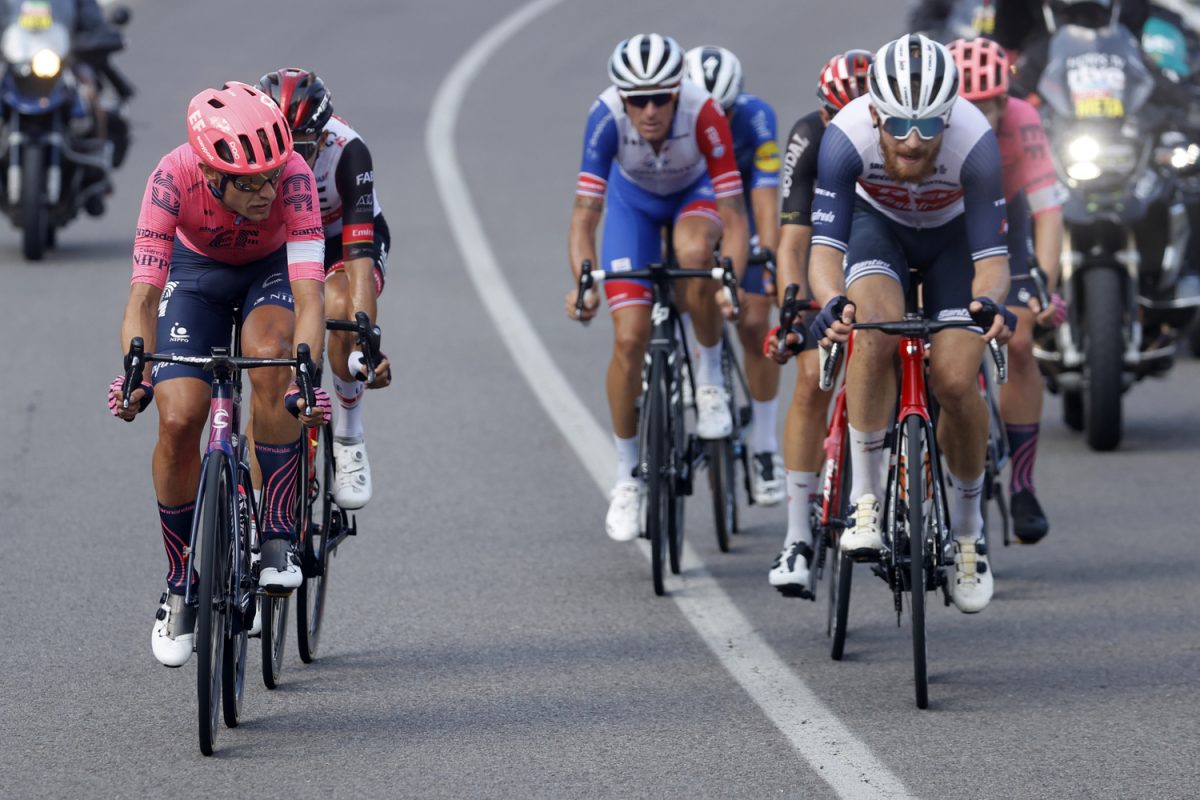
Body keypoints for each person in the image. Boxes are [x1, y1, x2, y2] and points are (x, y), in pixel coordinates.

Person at [107, 82, 329, 667]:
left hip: (271, 272)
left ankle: (276, 531)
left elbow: (311, 297)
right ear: (209, 174)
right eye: (249, 183)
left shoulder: (295, 178)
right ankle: (181, 583)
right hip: (196, 273)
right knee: (180, 416)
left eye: (271, 177)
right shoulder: (171, 178)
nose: (267, 192)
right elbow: (142, 297)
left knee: (273, 356)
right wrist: (135, 372)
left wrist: (304, 377)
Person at [807, 34, 1017, 613]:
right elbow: (824, 252)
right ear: (875, 112)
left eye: (928, 125)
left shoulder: (976, 142)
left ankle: (969, 535)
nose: (913, 140)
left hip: (953, 241)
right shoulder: (844, 137)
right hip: (878, 228)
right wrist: (832, 303)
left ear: (949, 115)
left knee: (956, 379)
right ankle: (866, 501)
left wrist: (989, 305)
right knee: (873, 330)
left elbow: (992, 264)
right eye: (898, 124)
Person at [565, 33, 749, 542]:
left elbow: (734, 217)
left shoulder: (704, 112)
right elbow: (585, 217)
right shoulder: (604, 118)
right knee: (629, 338)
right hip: (635, 207)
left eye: (660, 98)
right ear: (622, 98)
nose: (649, 111)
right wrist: (584, 282)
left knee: (695, 255)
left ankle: (708, 381)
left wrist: (729, 280)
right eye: (637, 99)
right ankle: (627, 477)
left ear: (677, 92)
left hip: (696, 197)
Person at [763, 50, 873, 596]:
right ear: (823, 113)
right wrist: (791, 309)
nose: (843, 125)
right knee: (811, 379)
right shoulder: (809, 136)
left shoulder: (892, 140)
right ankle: (797, 537)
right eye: (835, 115)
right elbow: (792, 242)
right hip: (825, 262)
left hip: (879, 257)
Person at [258, 68, 393, 511]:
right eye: (279, 144)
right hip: (283, 241)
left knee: (337, 305)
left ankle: (350, 437)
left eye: (300, 147)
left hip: (342, 241)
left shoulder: (348, 151)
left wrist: (365, 337)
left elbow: (359, 263)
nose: (288, 157)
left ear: (322, 136)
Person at [949, 37, 1067, 542]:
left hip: (1004, 226)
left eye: (989, 105)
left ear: (1004, 100)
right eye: (968, 106)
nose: (980, 116)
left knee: (1018, 343)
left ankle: (1022, 484)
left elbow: (1048, 212)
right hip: (943, 229)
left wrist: (1044, 285)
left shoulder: (1023, 119)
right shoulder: (930, 129)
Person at [684, 45, 785, 504]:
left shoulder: (757, 118)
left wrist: (771, 259)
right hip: (693, 210)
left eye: (724, 111)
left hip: (740, 210)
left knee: (755, 322)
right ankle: (683, 356)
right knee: (679, 266)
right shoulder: (674, 120)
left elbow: (765, 194)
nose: (716, 119)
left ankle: (764, 444)